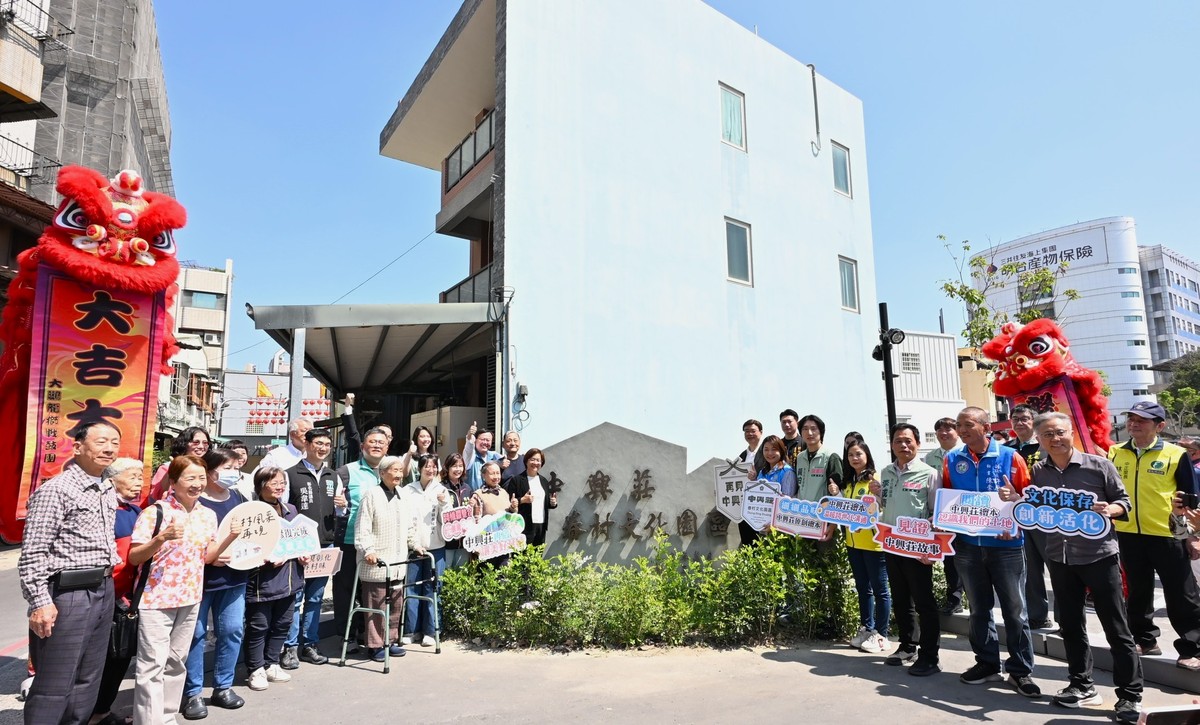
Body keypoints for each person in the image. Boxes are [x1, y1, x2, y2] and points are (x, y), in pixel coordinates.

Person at [1028, 413, 1142, 722]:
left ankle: (1130, 696)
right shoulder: (1039, 471)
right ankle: (1081, 685)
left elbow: (1124, 502)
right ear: (1039, 439)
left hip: (1099, 556)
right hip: (1060, 556)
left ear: (1071, 434)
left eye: (1061, 432)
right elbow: (1037, 508)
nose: (1056, 438)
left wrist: (1112, 509)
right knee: (1070, 625)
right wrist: (1015, 500)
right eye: (1048, 434)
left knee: (1116, 628)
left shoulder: (1099, 465)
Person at [19, 421, 122, 725]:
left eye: (115, 442)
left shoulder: (105, 487)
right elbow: (34, 551)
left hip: (103, 587)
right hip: (69, 594)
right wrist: (39, 601)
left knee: (88, 679)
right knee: (55, 682)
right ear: (78, 447)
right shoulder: (56, 490)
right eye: (102, 441)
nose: (109, 448)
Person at [127, 455, 241, 725]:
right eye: (190, 478)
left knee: (177, 662)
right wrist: (161, 538)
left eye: (201, 478)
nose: (197, 484)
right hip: (155, 599)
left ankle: (167, 717)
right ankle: (149, 721)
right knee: (151, 665)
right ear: (174, 481)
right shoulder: (156, 512)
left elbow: (207, 556)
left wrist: (231, 537)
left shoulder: (207, 515)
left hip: (190, 597)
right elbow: (134, 557)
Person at [944, 406, 1039, 697]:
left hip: (1006, 546)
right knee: (979, 608)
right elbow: (947, 499)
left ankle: (1021, 671)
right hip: (968, 546)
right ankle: (986, 663)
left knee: (1015, 610)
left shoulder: (1011, 457)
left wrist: (1017, 498)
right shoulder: (951, 459)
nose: (961, 430)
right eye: (959, 424)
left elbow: (1031, 499)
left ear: (986, 427)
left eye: (968, 424)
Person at [1107, 401, 1200, 671]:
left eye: (1142, 420)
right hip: (1127, 533)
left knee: (1182, 594)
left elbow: (1189, 500)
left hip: (1166, 533)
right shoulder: (1115, 452)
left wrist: (1190, 536)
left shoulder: (1175, 454)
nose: (1134, 423)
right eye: (1131, 418)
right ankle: (1145, 639)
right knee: (1137, 590)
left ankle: (1191, 649)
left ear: (1159, 426)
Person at [181, 447, 251, 719]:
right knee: (195, 636)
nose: (234, 474)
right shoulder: (195, 501)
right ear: (210, 472)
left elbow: (253, 533)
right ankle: (192, 693)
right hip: (198, 580)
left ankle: (223, 686)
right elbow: (181, 542)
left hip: (234, 577)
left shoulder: (239, 498)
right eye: (228, 468)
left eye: (236, 468)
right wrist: (208, 556)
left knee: (232, 630)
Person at [873, 423, 942, 676]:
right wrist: (878, 495)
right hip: (892, 545)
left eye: (908, 440)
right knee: (901, 599)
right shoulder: (886, 473)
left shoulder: (930, 473)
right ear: (891, 445)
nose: (903, 445)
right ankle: (907, 645)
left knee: (924, 602)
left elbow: (937, 513)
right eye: (898, 441)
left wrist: (932, 550)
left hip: (918, 548)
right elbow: (888, 504)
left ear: (917, 443)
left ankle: (930, 656)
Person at [282, 428, 342, 668]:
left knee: (315, 598)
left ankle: (310, 644)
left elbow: (338, 510)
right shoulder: (290, 474)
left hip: (324, 544)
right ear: (306, 444)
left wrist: (343, 506)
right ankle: (289, 647)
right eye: (318, 442)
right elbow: (284, 511)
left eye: (327, 443)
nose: (323, 447)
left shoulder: (332, 475)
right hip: (298, 547)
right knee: (295, 599)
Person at [89, 458, 144, 725]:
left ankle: (101, 711)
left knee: (119, 656)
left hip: (126, 598)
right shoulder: (99, 510)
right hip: (98, 595)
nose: (139, 483)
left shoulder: (135, 512)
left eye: (141, 477)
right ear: (111, 480)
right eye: (133, 477)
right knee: (94, 661)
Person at [356, 456, 422, 661]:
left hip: (398, 562)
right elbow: (362, 527)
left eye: (400, 470)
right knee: (376, 606)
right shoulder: (371, 495)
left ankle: (391, 640)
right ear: (382, 473)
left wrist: (415, 544)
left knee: (396, 605)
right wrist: (367, 549)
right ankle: (375, 645)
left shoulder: (403, 495)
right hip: (376, 563)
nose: (398, 474)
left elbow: (410, 525)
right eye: (393, 470)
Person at [244, 467, 303, 692]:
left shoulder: (291, 509)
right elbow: (247, 546)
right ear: (261, 485)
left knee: (282, 623)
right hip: (263, 581)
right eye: (274, 482)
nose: (280, 487)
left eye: (282, 482)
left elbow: (299, 537)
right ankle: (255, 668)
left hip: (290, 578)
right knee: (259, 625)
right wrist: (266, 559)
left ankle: (271, 663)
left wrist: (303, 553)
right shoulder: (253, 511)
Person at [331, 426, 389, 651]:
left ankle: (371, 635)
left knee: (374, 591)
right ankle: (348, 636)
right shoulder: (346, 471)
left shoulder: (390, 472)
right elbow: (334, 506)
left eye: (380, 443)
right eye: (372, 442)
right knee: (346, 590)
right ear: (363, 445)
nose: (376, 445)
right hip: (348, 541)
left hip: (379, 543)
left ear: (387, 447)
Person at [1006, 404, 1054, 631]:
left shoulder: (1046, 446)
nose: (1019, 422)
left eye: (1024, 418)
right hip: (1019, 516)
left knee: (1059, 568)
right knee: (1030, 570)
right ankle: (1037, 615)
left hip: (1047, 516)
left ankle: (1068, 619)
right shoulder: (1007, 450)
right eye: (1015, 419)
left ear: (1033, 422)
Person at [843, 440, 890, 656]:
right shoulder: (850, 482)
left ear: (867, 456)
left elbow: (884, 507)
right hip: (853, 543)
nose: (854, 458)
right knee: (863, 588)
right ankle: (867, 628)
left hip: (873, 544)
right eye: (851, 454)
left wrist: (879, 494)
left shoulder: (875, 479)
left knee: (880, 590)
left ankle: (882, 635)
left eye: (858, 454)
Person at [402, 453, 452, 646]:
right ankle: (411, 630)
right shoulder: (408, 490)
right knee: (412, 587)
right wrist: (413, 543)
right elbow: (405, 519)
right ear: (419, 468)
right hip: (414, 548)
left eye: (434, 467)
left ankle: (431, 631)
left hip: (436, 547)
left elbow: (448, 521)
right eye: (427, 466)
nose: (430, 470)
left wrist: (443, 504)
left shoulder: (442, 490)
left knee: (433, 587)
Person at [925, 417, 964, 615]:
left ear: (957, 432)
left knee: (966, 556)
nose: (944, 433)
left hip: (964, 512)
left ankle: (971, 597)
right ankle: (955, 598)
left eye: (949, 429)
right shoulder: (930, 457)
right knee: (949, 557)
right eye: (939, 429)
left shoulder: (964, 453)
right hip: (940, 514)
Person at [505, 448, 559, 547]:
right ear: (526, 461)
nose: (535, 463)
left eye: (538, 460)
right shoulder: (516, 480)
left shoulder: (544, 481)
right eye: (532, 459)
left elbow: (544, 503)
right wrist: (522, 500)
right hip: (523, 525)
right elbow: (509, 502)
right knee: (521, 558)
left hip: (541, 525)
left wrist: (552, 503)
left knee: (537, 558)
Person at [146, 426, 210, 504]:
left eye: (205, 443)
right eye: (195, 442)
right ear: (184, 443)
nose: (201, 447)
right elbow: (155, 497)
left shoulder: (210, 468)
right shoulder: (167, 467)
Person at [255, 418, 313, 503]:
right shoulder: (276, 455)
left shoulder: (313, 456)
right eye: (305, 431)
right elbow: (258, 481)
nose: (309, 435)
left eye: (311, 431)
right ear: (292, 434)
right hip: (281, 507)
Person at [794, 414, 843, 501]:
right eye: (805, 429)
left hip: (821, 511)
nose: (809, 433)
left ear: (821, 432)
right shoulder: (800, 457)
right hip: (801, 510)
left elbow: (839, 490)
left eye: (813, 429)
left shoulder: (831, 457)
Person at [442, 453, 472, 569]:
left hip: (463, 542)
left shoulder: (467, 488)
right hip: (447, 542)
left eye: (460, 466)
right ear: (447, 468)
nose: (458, 469)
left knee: (462, 575)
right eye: (454, 466)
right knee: (445, 575)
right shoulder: (441, 488)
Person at [462, 421, 503, 491]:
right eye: (482, 439)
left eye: (488, 440)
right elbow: (469, 445)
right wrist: (470, 435)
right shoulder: (470, 455)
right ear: (475, 440)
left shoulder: (494, 456)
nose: (485, 442)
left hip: (490, 497)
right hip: (473, 498)